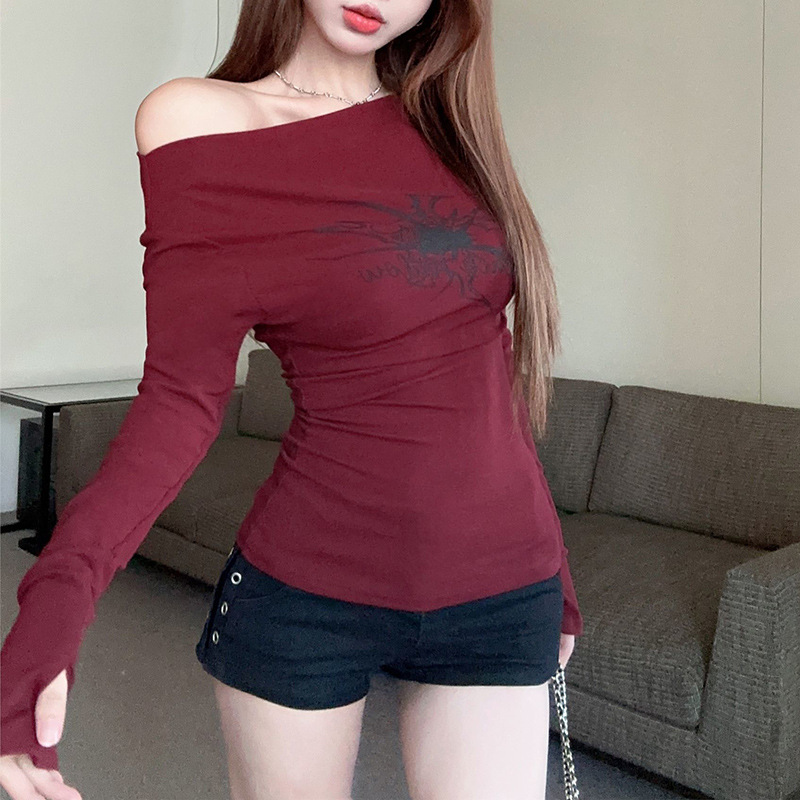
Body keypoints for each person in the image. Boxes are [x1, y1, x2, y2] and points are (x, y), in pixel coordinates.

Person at [0, 0, 584, 798]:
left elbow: (484, 367)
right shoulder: (198, 122)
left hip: (503, 586)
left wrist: (554, 568)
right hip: (311, 588)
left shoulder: (446, 119)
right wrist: (52, 611)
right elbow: (180, 400)